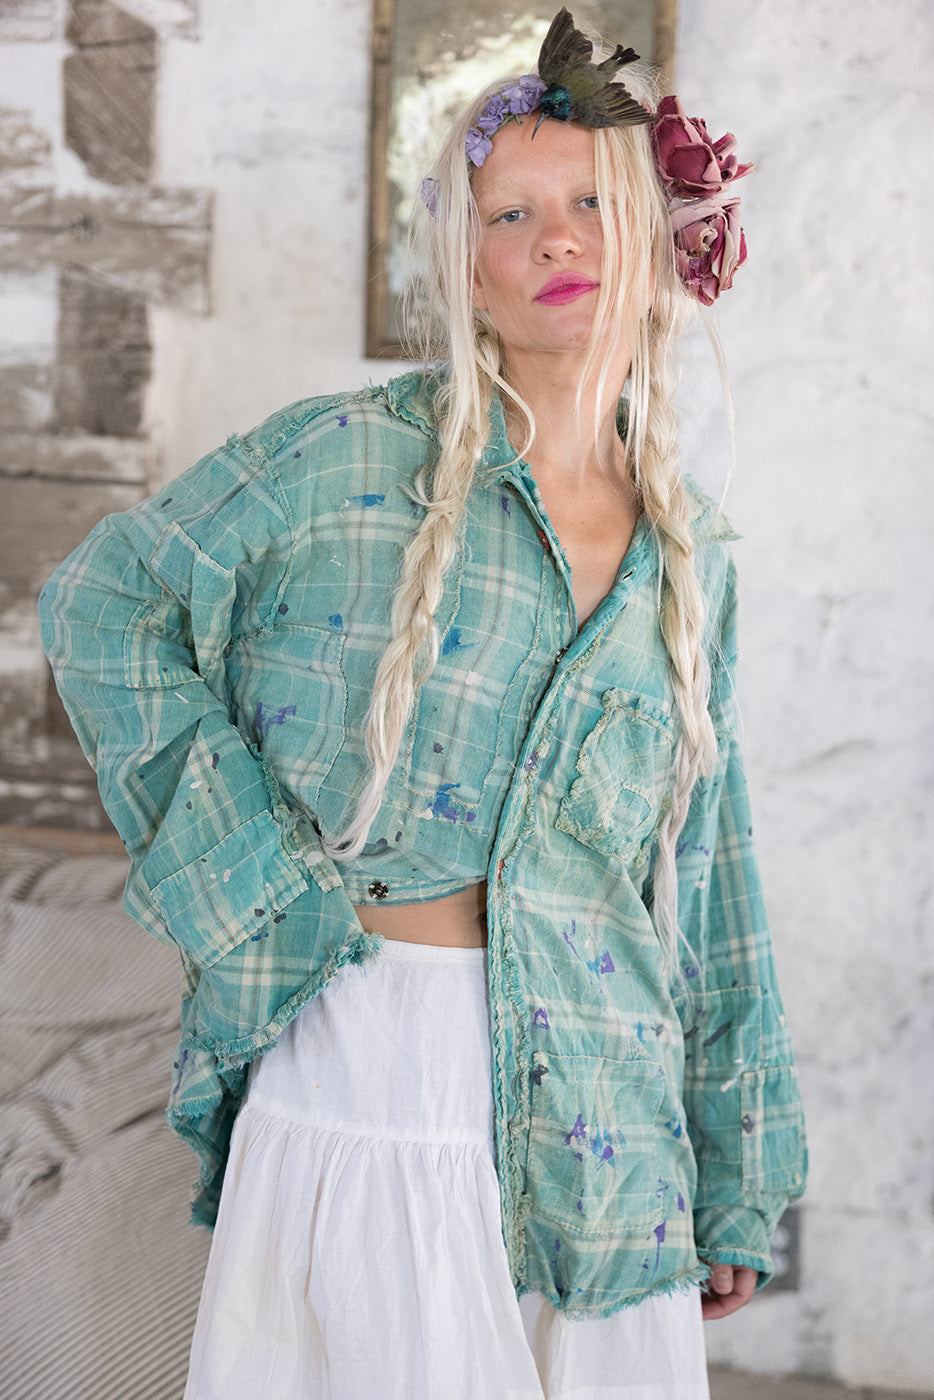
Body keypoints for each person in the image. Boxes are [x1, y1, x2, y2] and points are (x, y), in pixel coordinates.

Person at [38, 10, 806, 1398]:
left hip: (604, 1120)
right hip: (372, 1077)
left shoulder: (691, 557)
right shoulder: (342, 463)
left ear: (654, 245)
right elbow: (105, 602)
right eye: (513, 215)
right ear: (467, 267)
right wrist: (258, 884)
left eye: (592, 204)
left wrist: (736, 1170)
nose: (558, 240)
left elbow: (710, 868)